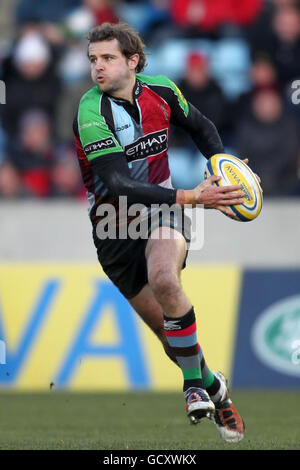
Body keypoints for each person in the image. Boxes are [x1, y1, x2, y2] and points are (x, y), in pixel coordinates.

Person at [73, 22, 246, 443]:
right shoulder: (90, 110)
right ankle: (213, 386)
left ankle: (192, 390)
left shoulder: (163, 90)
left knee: (165, 278)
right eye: (93, 59)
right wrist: (193, 196)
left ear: (133, 61)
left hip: (160, 213)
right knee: (174, 342)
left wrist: (223, 166)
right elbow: (116, 184)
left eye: (108, 58)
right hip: (113, 229)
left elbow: (203, 129)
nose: (98, 67)